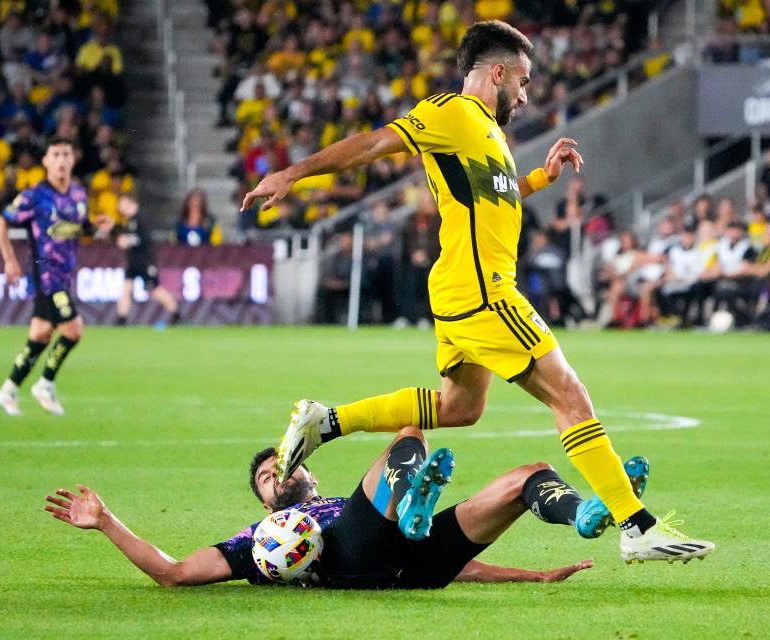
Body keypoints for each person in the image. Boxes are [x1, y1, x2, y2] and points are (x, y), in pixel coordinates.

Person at [242, 20, 714, 562]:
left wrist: (538, 178)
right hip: (484, 293)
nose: (527, 92)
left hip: (462, 291)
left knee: (460, 407)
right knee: (570, 395)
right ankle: (638, 527)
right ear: (498, 73)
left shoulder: (488, 133)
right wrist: (293, 174)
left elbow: (495, 196)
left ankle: (327, 421)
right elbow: (374, 144)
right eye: (525, 80)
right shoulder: (450, 112)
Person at [44, 425, 655, 589]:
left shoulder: (335, 499)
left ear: (308, 471)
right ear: (262, 501)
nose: (278, 476)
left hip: (416, 568)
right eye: (265, 476)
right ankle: (413, 501)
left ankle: (578, 515)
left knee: (527, 475)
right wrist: (105, 523)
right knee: (405, 439)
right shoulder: (261, 541)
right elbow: (173, 572)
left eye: (285, 464)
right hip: (357, 556)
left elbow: (465, 567)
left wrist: (534, 574)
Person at [0, 138, 111, 417]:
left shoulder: (79, 194)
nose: (61, 159)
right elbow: (0, 222)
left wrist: (96, 227)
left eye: (66, 154)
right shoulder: (35, 196)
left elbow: (78, 231)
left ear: (73, 159)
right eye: (55, 154)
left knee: (41, 335)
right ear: (45, 161)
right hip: (46, 276)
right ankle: (45, 383)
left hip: (64, 276)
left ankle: (8, 388)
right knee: (73, 329)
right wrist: (9, 261)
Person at [114, 193, 180, 326]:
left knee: (154, 289)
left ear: (130, 203)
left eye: (121, 204)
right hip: (132, 261)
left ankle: (176, 314)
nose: (120, 208)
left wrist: (128, 241)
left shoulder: (141, 218)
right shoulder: (130, 220)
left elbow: (145, 239)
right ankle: (121, 319)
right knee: (126, 288)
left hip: (144, 261)